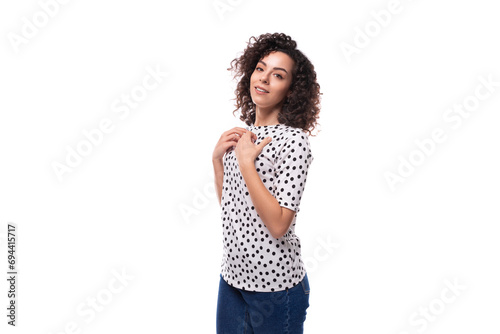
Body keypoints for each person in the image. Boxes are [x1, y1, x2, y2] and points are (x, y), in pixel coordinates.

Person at [212, 32, 321, 333]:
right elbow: (234, 208)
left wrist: (246, 164)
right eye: (260, 69)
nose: (264, 79)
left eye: (278, 75)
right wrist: (217, 162)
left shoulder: (294, 142)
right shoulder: (244, 136)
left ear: (291, 89)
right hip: (232, 279)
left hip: (275, 290)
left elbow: (278, 224)